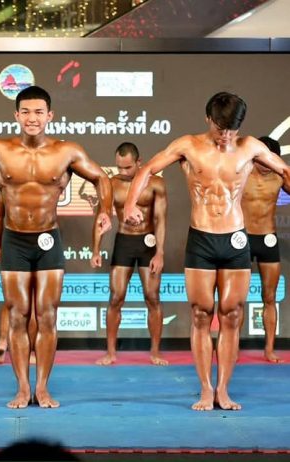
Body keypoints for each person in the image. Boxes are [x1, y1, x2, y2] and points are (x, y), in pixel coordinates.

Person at [123, 92, 290, 411]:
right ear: (208, 119)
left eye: (232, 129)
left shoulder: (251, 147)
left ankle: (223, 390)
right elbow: (147, 170)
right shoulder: (188, 145)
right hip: (201, 238)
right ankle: (204, 389)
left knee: (232, 313)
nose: (226, 135)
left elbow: (284, 171)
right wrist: (130, 205)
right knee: (201, 314)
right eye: (220, 128)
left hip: (235, 238)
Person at [0, 86, 112, 408]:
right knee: (17, 316)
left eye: (39, 112)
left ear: (50, 115)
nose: (32, 118)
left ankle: (43, 387)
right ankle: (23, 388)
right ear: (16, 115)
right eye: (25, 112)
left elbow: (101, 178)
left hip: (48, 238)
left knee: (48, 315)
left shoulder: (67, 152)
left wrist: (105, 210)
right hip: (15, 240)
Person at [91, 142, 168, 366]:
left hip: (148, 242)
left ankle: (155, 352)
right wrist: (96, 249)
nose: (123, 172)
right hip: (124, 241)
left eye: (127, 167)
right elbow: (102, 217)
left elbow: (160, 220)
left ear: (139, 162)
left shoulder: (156, 184)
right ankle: (110, 352)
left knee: (152, 297)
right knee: (116, 297)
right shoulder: (111, 184)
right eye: (119, 167)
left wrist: (160, 253)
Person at [242, 136, 289, 363]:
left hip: (267, 238)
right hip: (241, 238)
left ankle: (269, 349)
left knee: (269, 297)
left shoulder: (281, 177)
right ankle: (232, 346)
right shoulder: (242, 173)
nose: (265, 163)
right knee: (236, 299)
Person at [0, 191, 37, 365]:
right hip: (38, 241)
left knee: (11, 300)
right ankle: (30, 351)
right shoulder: (44, 184)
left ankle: (2, 342)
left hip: (15, 242)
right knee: (33, 301)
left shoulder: (8, 185)